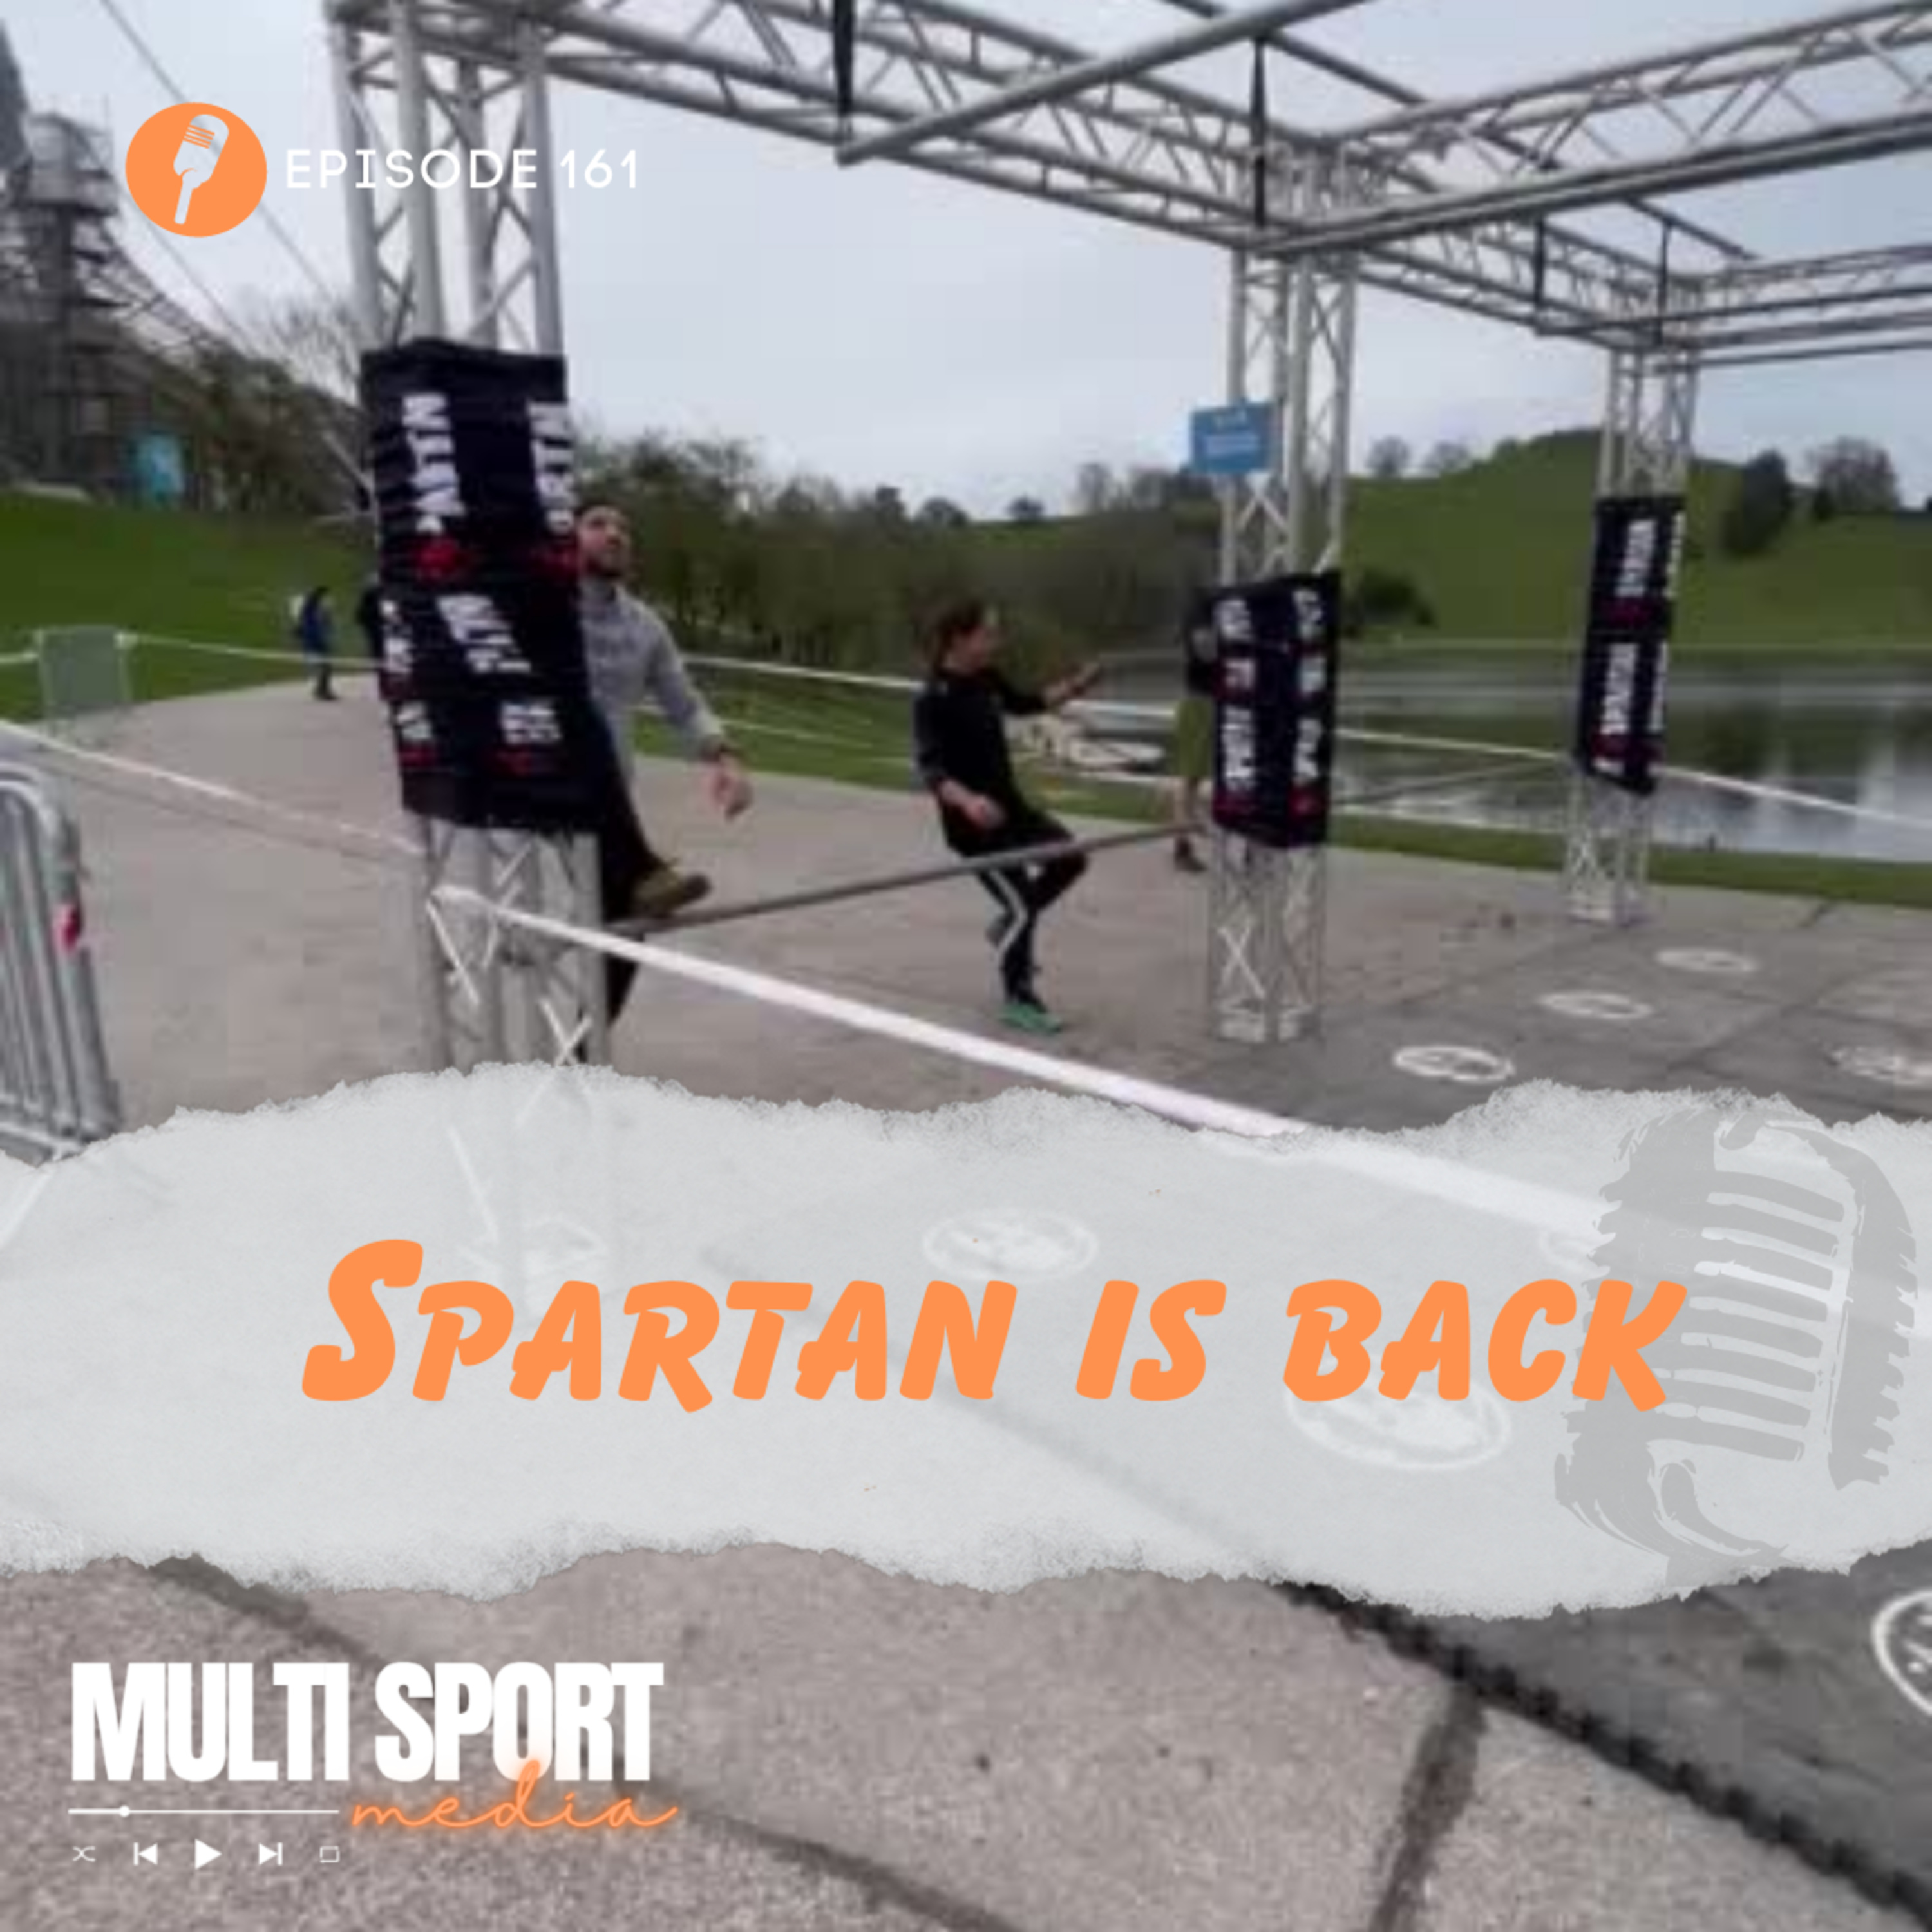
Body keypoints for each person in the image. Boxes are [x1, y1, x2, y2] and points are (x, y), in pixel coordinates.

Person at [576, 500, 753, 1016]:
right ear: (567, 537)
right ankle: (644, 869)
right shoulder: (538, 605)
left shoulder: (646, 625)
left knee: (627, 929)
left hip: (610, 800)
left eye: (623, 527)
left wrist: (726, 757)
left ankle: (580, 1051)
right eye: (598, 524)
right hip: (534, 784)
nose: (615, 534)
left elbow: (685, 703)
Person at [913, 600, 1101, 1035]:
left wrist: (1076, 685)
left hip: (1014, 810)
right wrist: (968, 802)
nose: (997, 641)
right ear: (960, 639)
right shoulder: (932, 699)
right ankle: (1019, 1000)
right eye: (989, 634)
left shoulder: (988, 678)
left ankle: (1009, 923)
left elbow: (1027, 703)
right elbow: (931, 770)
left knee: (1071, 858)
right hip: (974, 830)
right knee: (1022, 907)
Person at [1170, 589, 1216, 873]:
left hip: (1213, 701)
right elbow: (1206, 650)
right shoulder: (1201, 612)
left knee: (1196, 778)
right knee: (1188, 779)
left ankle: (1194, 829)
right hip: (1199, 703)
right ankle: (1181, 847)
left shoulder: (1209, 611)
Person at [293, 586, 336, 701]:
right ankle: (322, 691)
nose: (330, 600)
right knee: (324, 667)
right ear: (321, 598)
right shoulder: (312, 611)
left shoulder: (321, 611)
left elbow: (327, 627)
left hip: (320, 643)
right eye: (327, 597)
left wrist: (328, 614)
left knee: (327, 667)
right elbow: (311, 629)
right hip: (315, 644)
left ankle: (322, 690)